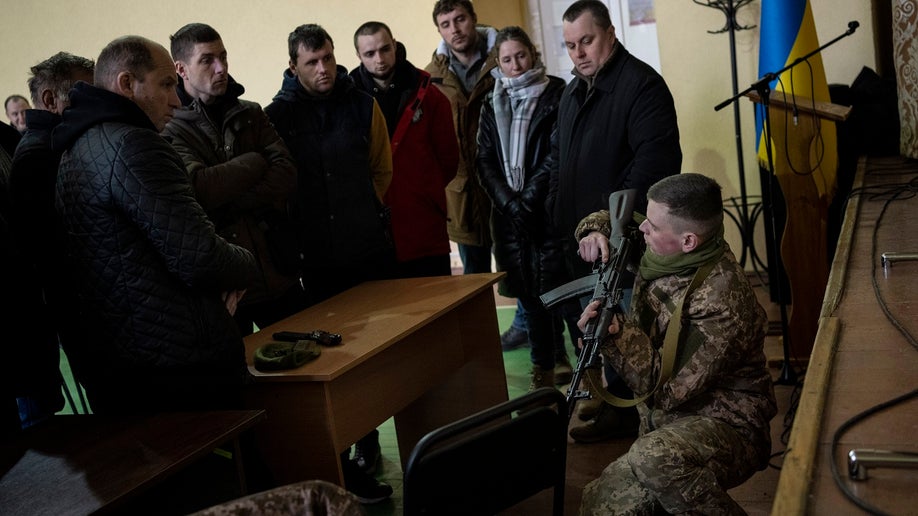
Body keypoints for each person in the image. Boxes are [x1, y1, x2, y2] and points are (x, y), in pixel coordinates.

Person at [52, 35, 257, 415]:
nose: (178, 101)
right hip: (180, 366)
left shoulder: (77, 146)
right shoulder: (136, 145)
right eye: (166, 85)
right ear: (127, 84)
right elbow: (200, 257)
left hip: (126, 363)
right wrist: (246, 264)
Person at [576, 173, 777, 514]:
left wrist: (614, 335)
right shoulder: (663, 249)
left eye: (652, 226)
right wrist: (594, 232)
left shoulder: (722, 301)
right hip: (666, 425)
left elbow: (664, 390)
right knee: (599, 503)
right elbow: (616, 220)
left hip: (727, 426)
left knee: (652, 459)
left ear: (688, 241)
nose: (643, 230)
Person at [264, 24, 394, 504]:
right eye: (312, 62)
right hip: (315, 259)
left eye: (328, 59)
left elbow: (382, 166)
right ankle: (341, 442)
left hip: (365, 249)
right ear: (294, 66)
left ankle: (370, 438)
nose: (324, 70)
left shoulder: (362, 103)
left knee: (373, 351)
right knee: (331, 358)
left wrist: (363, 206)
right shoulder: (277, 116)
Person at [551, 0, 682, 441]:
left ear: (609, 32)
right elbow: (561, 162)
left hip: (623, 239)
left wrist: (608, 225)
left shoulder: (643, 86)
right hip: (581, 239)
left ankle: (630, 415)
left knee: (623, 325)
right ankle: (612, 403)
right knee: (596, 322)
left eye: (586, 41)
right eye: (570, 46)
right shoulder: (573, 91)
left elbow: (652, 167)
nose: (579, 53)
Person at [163, 23, 305, 337]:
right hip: (226, 284)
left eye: (224, 57)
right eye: (208, 60)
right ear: (181, 69)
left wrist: (230, 202)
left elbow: (286, 172)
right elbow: (201, 189)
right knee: (243, 375)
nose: (221, 67)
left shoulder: (251, 113)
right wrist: (255, 162)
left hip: (277, 268)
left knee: (316, 356)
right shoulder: (170, 129)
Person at [476, 26, 568, 390]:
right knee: (528, 298)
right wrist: (509, 203)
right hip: (509, 217)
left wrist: (527, 199)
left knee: (557, 293)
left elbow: (556, 153)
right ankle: (541, 366)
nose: (515, 66)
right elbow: (484, 159)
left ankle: (564, 360)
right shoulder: (491, 100)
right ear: (497, 62)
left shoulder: (558, 94)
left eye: (521, 56)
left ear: (534, 53)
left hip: (546, 210)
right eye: (507, 59)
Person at [8, 51, 95, 427]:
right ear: (50, 100)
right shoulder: (37, 156)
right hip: (80, 310)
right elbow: (53, 250)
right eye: (82, 93)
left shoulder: (53, 144)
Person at [350, 21, 459, 279]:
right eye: (369, 53)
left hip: (423, 223)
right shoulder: (350, 102)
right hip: (374, 231)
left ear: (395, 46)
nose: (379, 59)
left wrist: (424, 188)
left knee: (437, 306)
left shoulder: (430, 97)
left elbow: (448, 160)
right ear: (358, 56)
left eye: (385, 49)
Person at [425, 0, 496, 274]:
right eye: (446, 24)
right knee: (474, 279)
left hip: (507, 186)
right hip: (463, 195)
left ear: (474, 18)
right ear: (440, 31)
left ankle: (524, 320)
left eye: (460, 19)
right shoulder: (431, 77)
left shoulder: (506, 59)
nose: (454, 29)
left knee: (523, 277)